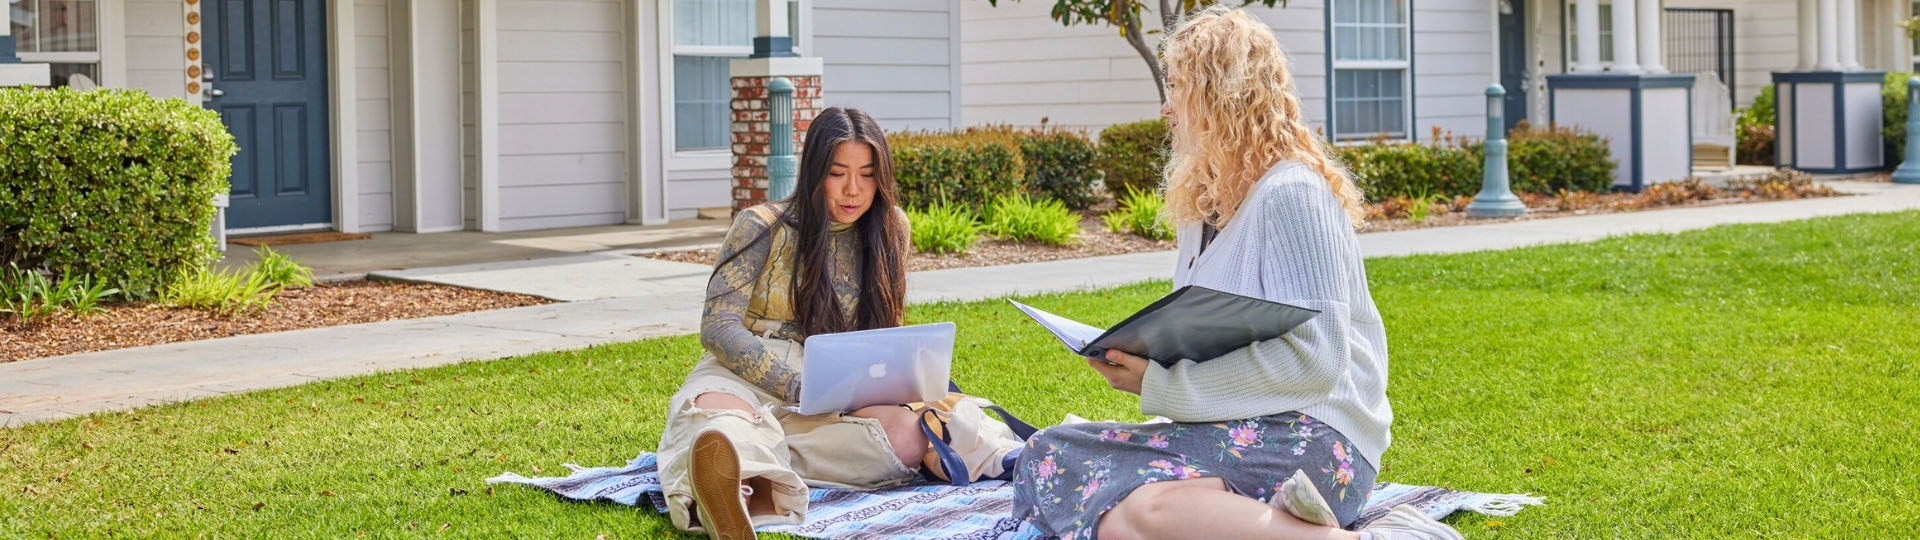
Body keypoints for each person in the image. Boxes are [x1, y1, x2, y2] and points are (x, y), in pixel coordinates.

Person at [1008, 7, 1464, 540]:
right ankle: (1250, 522)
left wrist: (1163, 385)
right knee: (1051, 454)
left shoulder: (1293, 193)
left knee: (1137, 510)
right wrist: (1145, 358)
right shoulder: (1205, 206)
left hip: (1318, 437)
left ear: (1218, 96)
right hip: (1237, 424)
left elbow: (1318, 361)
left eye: (1176, 88)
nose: (1164, 107)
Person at [655, 107, 929, 540]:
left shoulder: (892, 228)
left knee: (910, 437)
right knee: (712, 419)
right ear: (814, 170)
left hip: (835, 387)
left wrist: (903, 378)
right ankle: (740, 491)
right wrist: (793, 388)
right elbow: (719, 326)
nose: (853, 190)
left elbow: (883, 329)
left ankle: (750, 464)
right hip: (746, 371)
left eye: (868, 174)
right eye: (838, 173)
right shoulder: (760, 226)